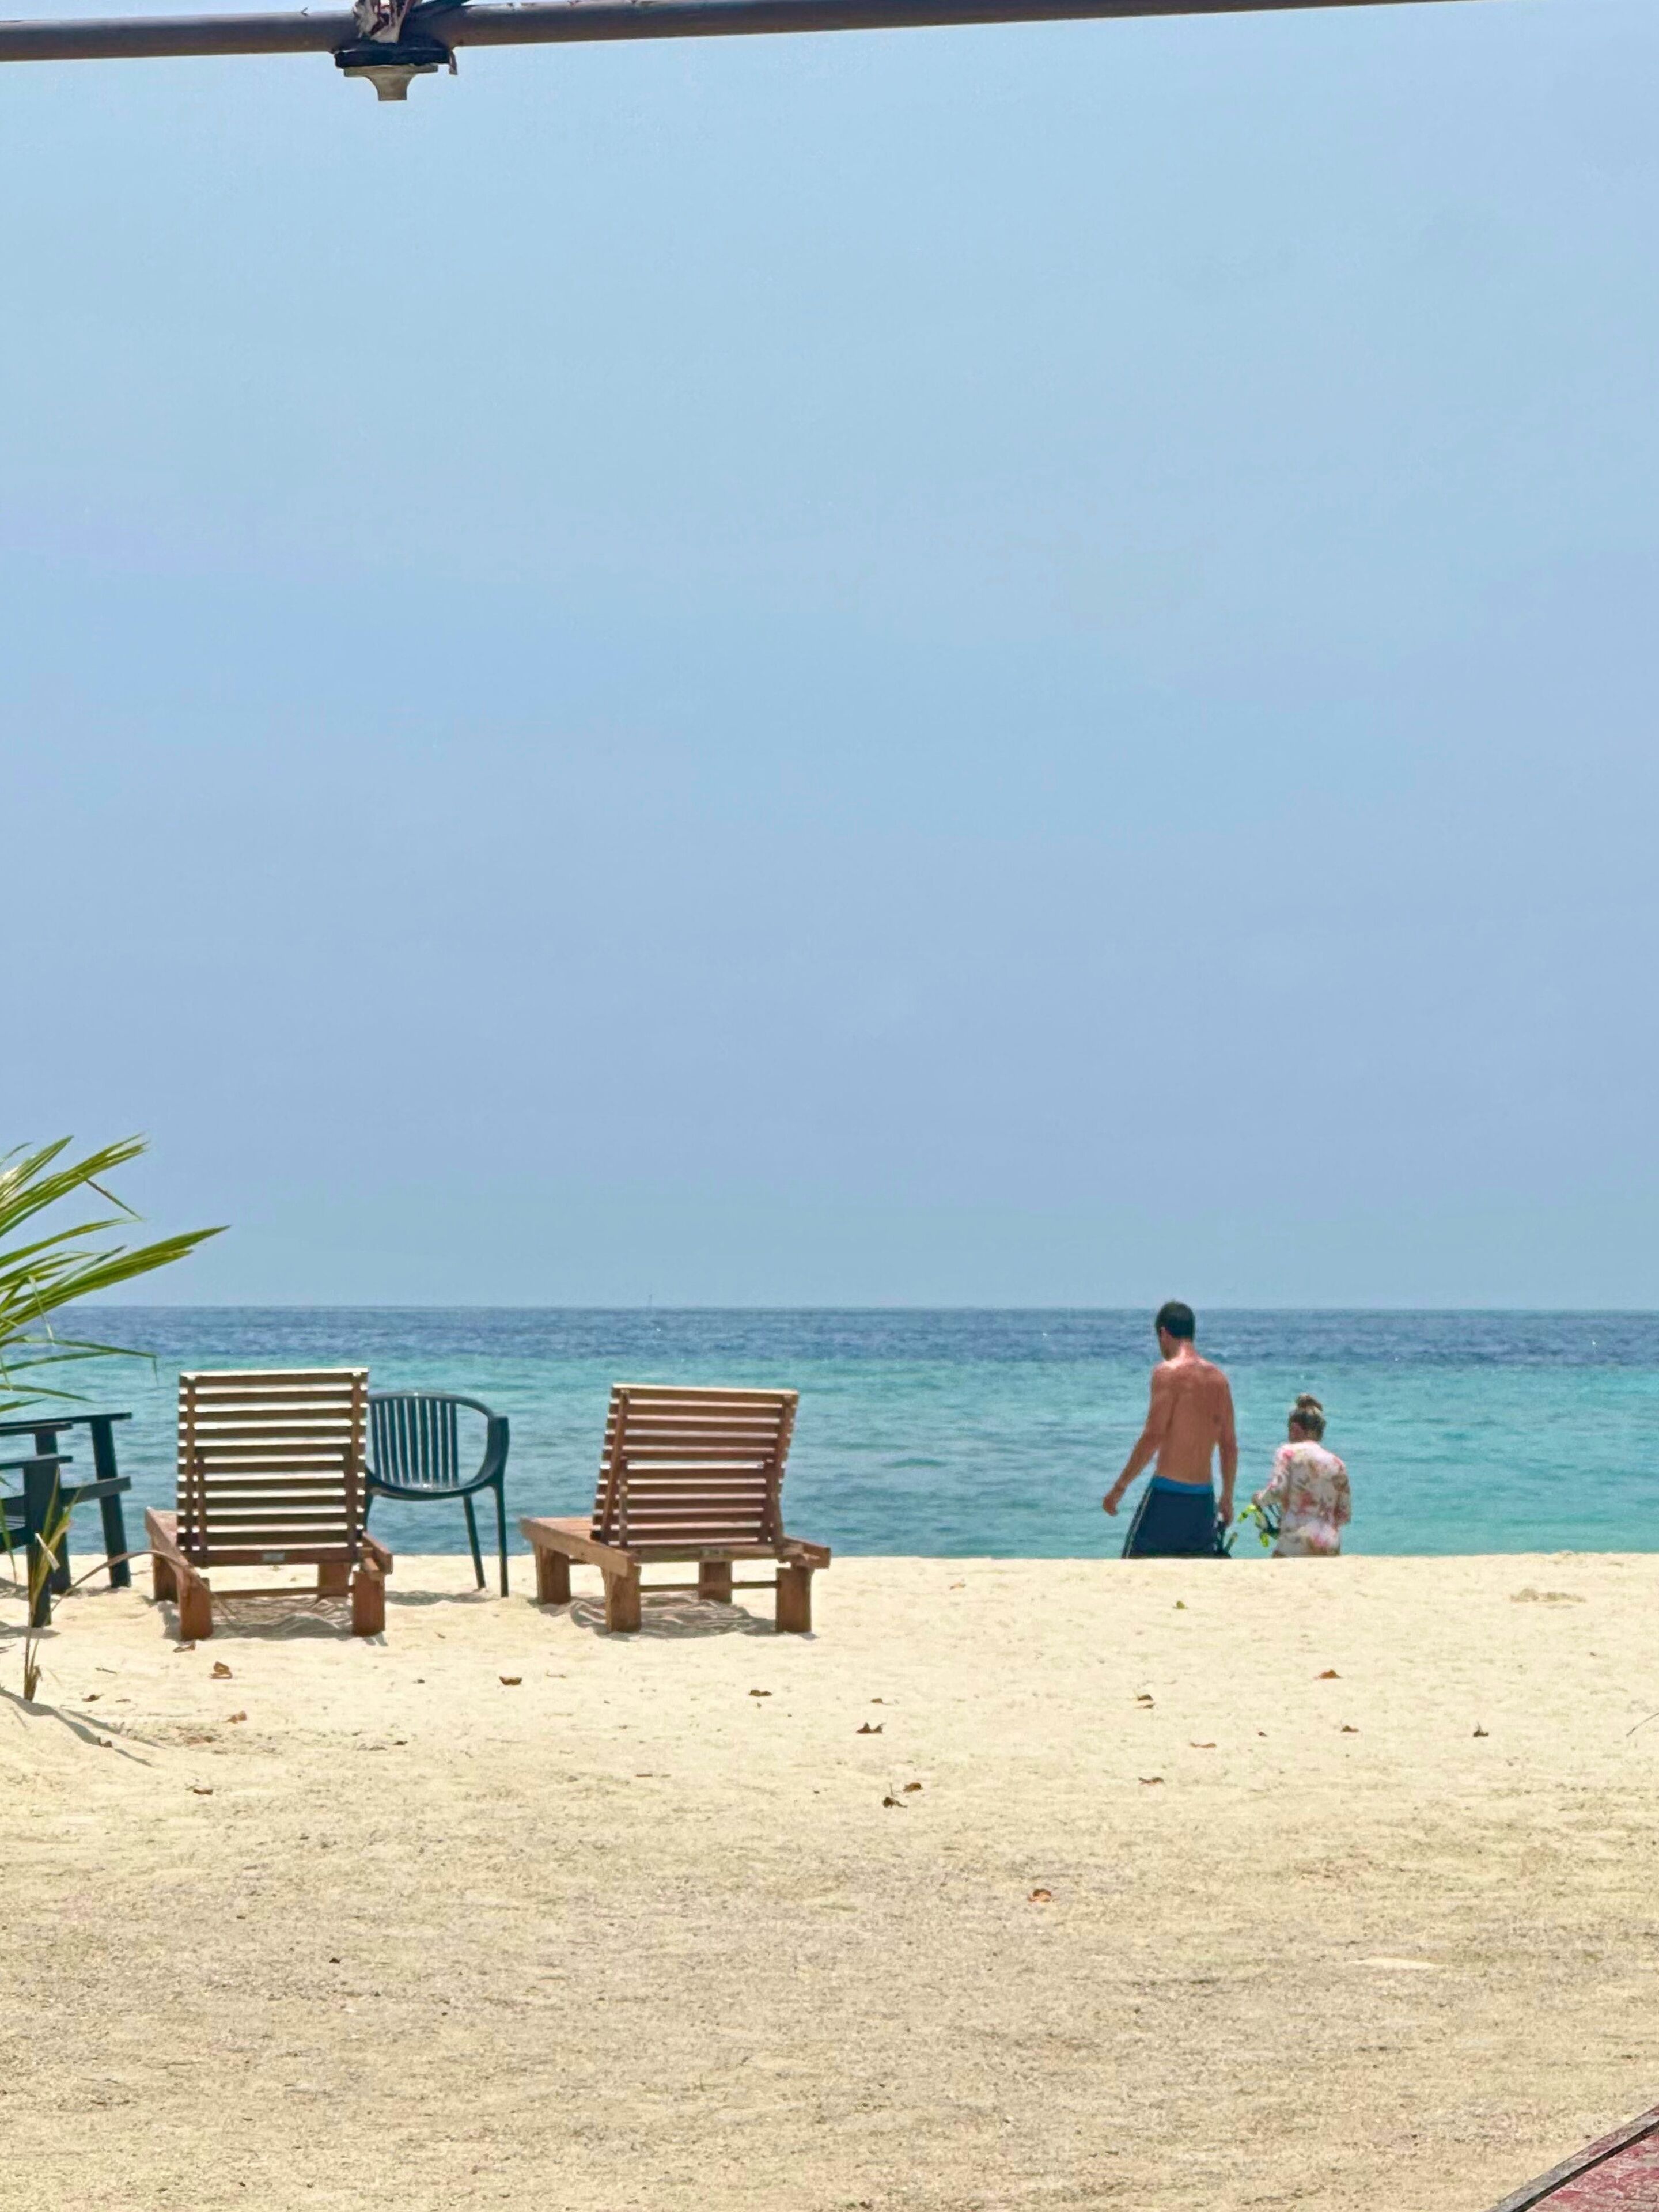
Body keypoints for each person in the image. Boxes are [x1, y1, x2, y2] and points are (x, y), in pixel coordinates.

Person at [1103, 1301, 1237, 1558]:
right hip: (1203, 1500)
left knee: (1134, 1566)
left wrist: (1120, 1487)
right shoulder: (1219, 1379)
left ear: (1163, 1333)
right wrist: (1227, 1498)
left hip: (1167, 1496)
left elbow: (1153, 1435)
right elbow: (1229, 1445)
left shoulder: (1166, 1373)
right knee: (1195, 1572)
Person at [1253, 1393, 1350, 1556]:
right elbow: (1344, 1515)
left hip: (1295, 1543)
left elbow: (1276, 1491)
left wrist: (1258, 1499)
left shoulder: (1287, 1453)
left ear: (1295, 1429)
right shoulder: (1338, 1464)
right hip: (1330, 1546)